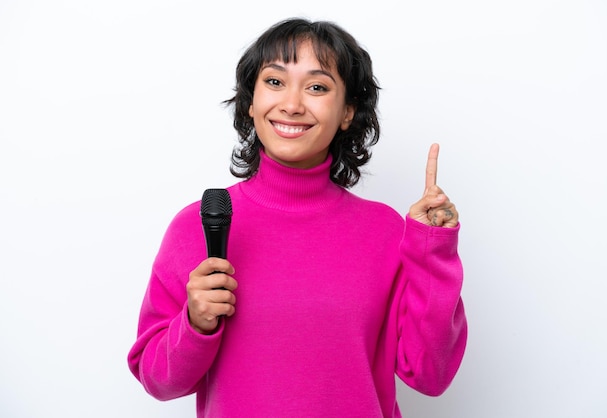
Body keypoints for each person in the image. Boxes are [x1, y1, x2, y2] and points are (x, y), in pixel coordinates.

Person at [128, 17, 467, 417]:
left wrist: (434, 253)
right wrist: (195, 324)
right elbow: (157, 380)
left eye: (317, 87)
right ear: (250, 102)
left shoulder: (385, 232)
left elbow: (429, 374)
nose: (291, 103)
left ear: (347, 112)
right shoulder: (198, 225)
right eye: (274, 82)